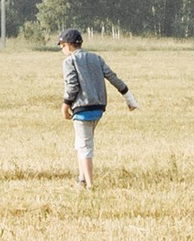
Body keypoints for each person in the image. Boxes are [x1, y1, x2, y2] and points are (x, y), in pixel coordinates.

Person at [57, 28, 136, 185]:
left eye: (62, 46)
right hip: (98, 108)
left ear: (68, 45)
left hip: (82, 109)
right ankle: (81, 179)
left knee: (85, 147)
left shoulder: (69, 61)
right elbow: (112, 77)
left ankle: (90, 184)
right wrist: (128, 97)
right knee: (81, 143)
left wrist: (65, 105)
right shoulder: (96, 58)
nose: (62, 49)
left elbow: (72, 86)